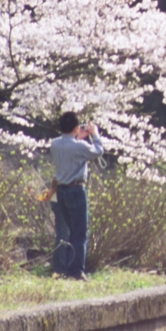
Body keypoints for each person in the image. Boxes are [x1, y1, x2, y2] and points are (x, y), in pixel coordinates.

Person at [50, 111, 105, 279]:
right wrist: (94, 134)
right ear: (75, 127)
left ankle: (64, 268)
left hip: (61, 191)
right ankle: (76, 271)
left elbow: (70, 147)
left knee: (67, 232)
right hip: (76, 190)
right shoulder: (79, 146)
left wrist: (76, 136)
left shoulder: (54, 144)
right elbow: (98, 151)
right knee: (80, 233)